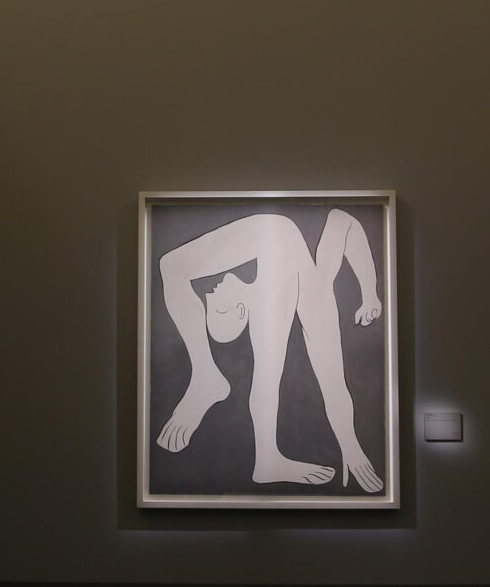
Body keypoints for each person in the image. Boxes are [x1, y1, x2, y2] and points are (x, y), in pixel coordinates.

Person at [155, 208, 383, 492]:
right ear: (242, 311)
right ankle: (265, 456)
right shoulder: (303, 295)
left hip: (274, 237)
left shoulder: (295, 277)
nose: (211, 291)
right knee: (268, 364)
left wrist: (370, 293)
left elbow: (341, 220)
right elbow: (341, 221)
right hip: (277, 241)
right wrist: (350, 447)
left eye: (208, 304)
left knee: (171, 265)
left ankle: (207, 378)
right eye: (218, 308)